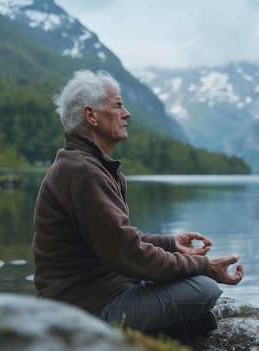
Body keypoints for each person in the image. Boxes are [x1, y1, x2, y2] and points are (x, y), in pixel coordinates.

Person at [32, 69, 244, 341]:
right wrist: (203, 266)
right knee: (204, 289)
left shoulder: (87, 165)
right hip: (85, 309)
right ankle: (134, 335)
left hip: (99, 294)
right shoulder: (86, 173)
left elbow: (113, 238)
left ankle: (161, 331)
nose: (127, 113)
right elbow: (128, 253)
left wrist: (169, 243)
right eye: (118, 105)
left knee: (192, 297)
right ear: (91, 115)